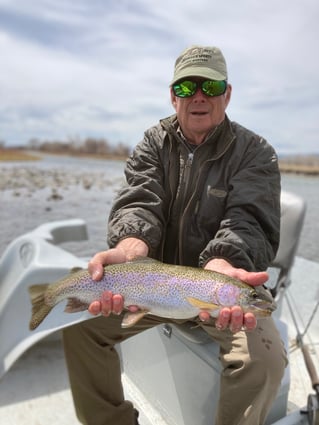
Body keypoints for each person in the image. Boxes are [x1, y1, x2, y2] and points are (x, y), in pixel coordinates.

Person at [63, 45, 287, 425]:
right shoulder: (154, 142)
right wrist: (131, 245)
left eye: (210, 86)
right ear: (172, 94)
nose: (198, 96)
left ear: (227, 93)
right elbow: (139, 200)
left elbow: (247, 220)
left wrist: (222, 264)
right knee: (79, 330)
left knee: (263, 361)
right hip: (151, 282)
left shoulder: (255, 152)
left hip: (220, 286)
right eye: (186, 87)